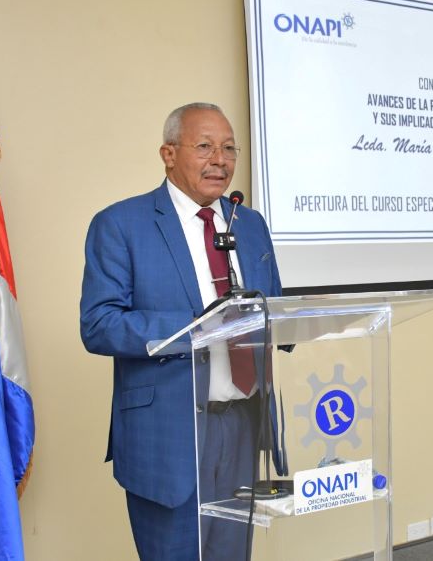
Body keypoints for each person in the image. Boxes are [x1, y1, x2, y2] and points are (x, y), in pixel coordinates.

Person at [80, 102, 282, 560]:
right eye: (205, 147)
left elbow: (274, 306)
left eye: (229, 148)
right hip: (169, 430)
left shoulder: (249, 224)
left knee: (232, 554)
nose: (220, 160)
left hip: (244, 420)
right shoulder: (121, 224)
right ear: (168, 154)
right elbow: (99, 324)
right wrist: (198, 326)